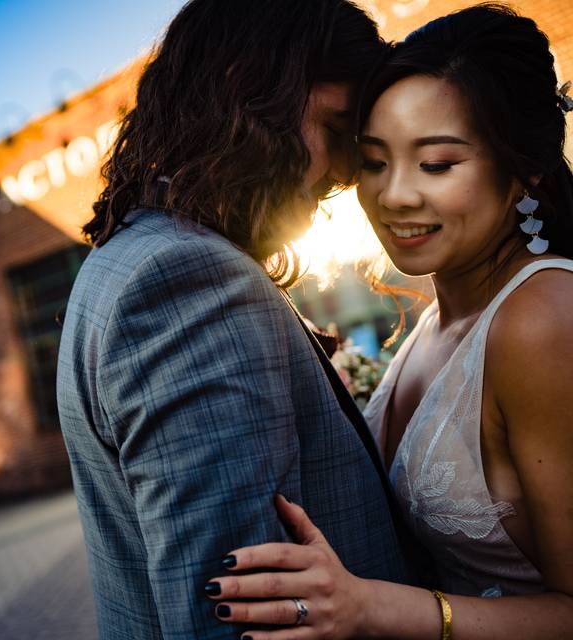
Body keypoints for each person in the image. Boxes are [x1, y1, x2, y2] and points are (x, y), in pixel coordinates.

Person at [205, 4, 573, 638]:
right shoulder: (436, 321)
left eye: (436, 164)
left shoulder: (543, 319)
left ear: (523, 170)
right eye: (373, 161)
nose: (395, 194)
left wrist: (367, 607)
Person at [56, 1, 413, 638]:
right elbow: (231, 620)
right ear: (245, 91)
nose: (341, 173)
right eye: (335, 130)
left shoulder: (131, 256)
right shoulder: (186, 281)